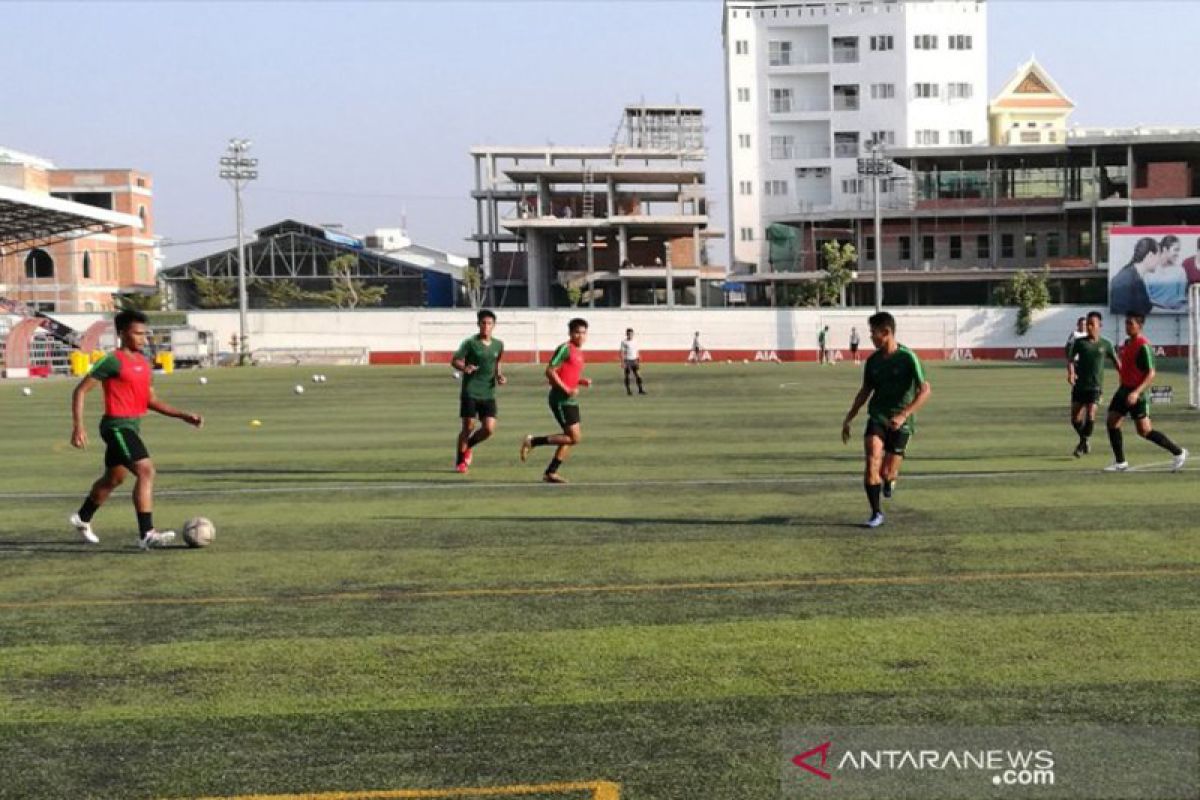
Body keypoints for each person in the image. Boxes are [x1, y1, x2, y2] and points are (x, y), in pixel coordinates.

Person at [69, 309, 203, 549]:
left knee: (113, 478)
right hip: (116, 426)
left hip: (132, 426)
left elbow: (149, 401)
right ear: (122, 334)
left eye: (145, 334)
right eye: (137, 333)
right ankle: (147, 533)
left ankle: (82, 517)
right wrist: (78, 427)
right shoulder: (111, 360)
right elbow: (80, 391)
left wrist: (182, 415)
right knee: (146, 471)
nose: (143, 338)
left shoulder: (143, 362)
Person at [840, 312, 932, 528]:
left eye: (873, 333)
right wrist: (848, 418)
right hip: (878, 416)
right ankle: (876, 513)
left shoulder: (908, 357)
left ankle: (890, 480)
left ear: (887, 332)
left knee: (887, 472)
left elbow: (925, 390)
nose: (871, 337)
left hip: (902, 421)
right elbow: (865, 392)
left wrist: (903, 414)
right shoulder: (872, 362)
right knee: (872, 456)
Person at [1104, 313, 1188, 472]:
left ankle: (1178, 452)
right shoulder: (1127, 343)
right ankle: (1120, 462)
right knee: (1112, 421)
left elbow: (1151, 373)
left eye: (1130, 324)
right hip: (1124, 390)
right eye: (1126, 323)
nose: (1127, 326)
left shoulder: (1144, 346)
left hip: (1137, 394)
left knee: (1144, 431)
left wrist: (1136, 393)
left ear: (1139, 326)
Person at [520, 318, 592, 483]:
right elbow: (550, 371)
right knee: (574, 438)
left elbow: (567, 374)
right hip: (561, 400)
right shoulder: (565, 349)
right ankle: (532, 441)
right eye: (577, 332)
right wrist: (566, 389)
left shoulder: (579, 352)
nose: (580, 336)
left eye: (583, 332)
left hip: (571, 400)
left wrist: (581, 381)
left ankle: (551, 472)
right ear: (570, 333)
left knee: (569, 437)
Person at [450, 309, 506, 473]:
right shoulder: (470, 343)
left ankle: (468, 446)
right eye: (483, 323)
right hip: (471, 391)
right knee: (468, 426)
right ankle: (460, 461)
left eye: (489, 323)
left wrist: (499, 376)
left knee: (489, 429)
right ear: (478, 324)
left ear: (494, 325)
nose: (486, 326)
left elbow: (497, 363)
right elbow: (455, 360)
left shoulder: (498, 344)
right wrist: (465, 367)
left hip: (488, 392)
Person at [1066, 311, 1119, 458]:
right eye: (1087, 324)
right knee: (1075, 419)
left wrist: (1124, 377)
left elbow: (1117, 362)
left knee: (1090, 414)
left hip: (1095, 387)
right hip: (1080, 386)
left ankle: (1082, 444)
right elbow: (1070, 359)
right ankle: (1085, 440)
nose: (1088, 327)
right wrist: (1071, 373)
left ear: (1099, 326)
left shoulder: (1106, 344)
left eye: (1092, 324)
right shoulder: (1079, 343)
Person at [1109, 237, 1159, 318]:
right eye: (1158, 256)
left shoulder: (1135, 276)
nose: (1159, 261)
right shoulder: (1125, 279)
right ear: (1150, 255)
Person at [1146, 235, 1187, 311]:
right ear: (1165, 249)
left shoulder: (1180, 271)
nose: (1177, 254)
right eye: (1176, 250)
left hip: (1173, 316)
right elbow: (1146, 297)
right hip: (1153, 315)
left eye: (1178, 250)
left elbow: (1181, 298)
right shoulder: (1148, 270)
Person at [619, 328, 646, 396]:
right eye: (628, 334)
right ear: (626, 334)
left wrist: (639, 357)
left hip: (634, 360)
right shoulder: (624, 342)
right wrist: (622, 362)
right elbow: (621, 352)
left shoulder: (635, 341)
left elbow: (636, 350)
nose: (630, 335)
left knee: (638, 375)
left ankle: (640, 389)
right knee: (627, 376)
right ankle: (628, 391)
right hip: (627, 360)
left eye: (631, 334)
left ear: (633, 334)